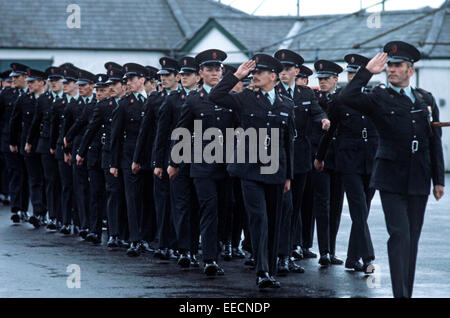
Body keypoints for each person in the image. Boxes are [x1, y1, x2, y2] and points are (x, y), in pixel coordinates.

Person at [339, 41, 445, 298]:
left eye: (398, 66)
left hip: (418, 178)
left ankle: (405, 292)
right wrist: (367, 72)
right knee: (399, 236)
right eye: (390, 66)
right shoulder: (379, 97)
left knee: (412, 242)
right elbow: (347, 97)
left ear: (410, 70)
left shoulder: (425, 99)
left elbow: (434, 141)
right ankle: (400, 295)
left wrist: (438, 179)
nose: (392, 70)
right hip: (390, 180)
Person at [209, 55, 295, 289]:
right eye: (254, 72)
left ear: (274, 77)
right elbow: (215, 96)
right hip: (249, 169)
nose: (255, 75)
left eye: (261, 72)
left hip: (275, 170)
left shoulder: (286, 103)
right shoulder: (245, 98)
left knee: (274, 221)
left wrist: (289, 175)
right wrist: (236, 76)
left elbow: (288, 143)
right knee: (259, 220)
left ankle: (271, 270)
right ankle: (262, 271)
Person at [169, 49, 232, 277]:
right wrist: (174, 162)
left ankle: (212, 249)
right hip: (202, 166)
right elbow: (181, 132)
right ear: (201, 73)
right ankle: (209, 258)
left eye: (217, 69)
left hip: (226, 166)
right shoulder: (194, 100)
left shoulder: (229, 99)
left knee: (224, 212)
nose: (214, 73)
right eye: (209, 69)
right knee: (209, 210)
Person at [315, 54, 378, 273]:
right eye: (350, 73)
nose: (352, 77)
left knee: (365, 209)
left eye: (356, 73)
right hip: (348, 161)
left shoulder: (374, 98)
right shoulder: (340, 99)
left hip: (371, 160)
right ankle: (368, 257)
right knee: (358, 208)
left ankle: (353, 258)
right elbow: (330, 131)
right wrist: (320, 157)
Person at [274, 49, 329, 274]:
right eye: (281, 69)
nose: (284, 73)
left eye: (288, 69)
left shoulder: (306, 94)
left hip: (301, 158)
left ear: (296, 71)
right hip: (277, 157)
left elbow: (317, 112)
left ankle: (287, 254)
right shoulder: (271, 92)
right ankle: (274, 254)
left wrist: (323, 119)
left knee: (294, 209)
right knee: (280, 208)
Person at [156, 56, 201, 268]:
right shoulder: (172, 100)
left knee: (196, 206)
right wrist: (160, 162)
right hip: (178, 159)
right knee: (181, 206)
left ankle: (194, 247)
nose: (184, 78)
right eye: (182, 74)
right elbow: (162, 133)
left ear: (197, 77)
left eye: (188, 74)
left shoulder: (204, 98)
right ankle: (184, 250)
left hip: (202, 159)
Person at [110, 63, 148, 256]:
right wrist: (114, 164)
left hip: (150, 158)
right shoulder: (124, 104)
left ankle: (147, 237)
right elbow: (115, 136)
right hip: (128, 158)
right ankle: (135, 239)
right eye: (127, 80)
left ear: (142, 80)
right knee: (132, 199)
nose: (129, 83)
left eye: (133, 79)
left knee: (148, 200)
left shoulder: (152, 101)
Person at [312, 60, 345, 267]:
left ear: (335, 80)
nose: (323, 82)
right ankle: (323, 251)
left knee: (336, 206)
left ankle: (331, 250)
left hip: (339, 159)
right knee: (322, 205)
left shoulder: (343, 100)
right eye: (320, 79)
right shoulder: (315, 100)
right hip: (320, 158)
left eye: (326, 79)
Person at [26, 66, 65, 231]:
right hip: (45, 144)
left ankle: (63, 216)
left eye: (57, 81)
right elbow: (35, 123)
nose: (54, 84)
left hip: (61, 145)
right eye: (52, 81)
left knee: (62, 182)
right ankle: (50, 215)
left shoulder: (66, 99)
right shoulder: (44, 99)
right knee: (49, 180)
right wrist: (29, 141)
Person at [10, 65, 47, 228]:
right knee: (34, 179)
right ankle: (38, 212)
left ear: (41, 83)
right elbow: (15, 122)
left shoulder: (48, 100)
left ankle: (47, 212)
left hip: (45, 145)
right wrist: (13, 142)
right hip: (29, 146)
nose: (29, 84)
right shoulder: (24, 99)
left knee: (48, 180)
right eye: (28, 82)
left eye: (32, 82)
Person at [64, 69, 96, 239]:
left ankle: (93, 223)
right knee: (81, 187)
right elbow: (68, 131)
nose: (80, 88)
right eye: (79, 85)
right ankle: (83, 223)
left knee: (94, 189)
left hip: (94, 149)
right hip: (78, 148)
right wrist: (67, 150)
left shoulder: (97, 103)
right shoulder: (74, 105)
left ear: (92, 86)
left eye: (84, 85)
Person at [0, 68, 29, 222]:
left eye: (17, 77)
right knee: (15, 173)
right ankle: (16, 208)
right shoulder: (5, 95)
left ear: (25, 77)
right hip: (8, 141)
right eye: (12, 77)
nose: (13, 80)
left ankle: (24, 208)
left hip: (25, 141)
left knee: (26, 175)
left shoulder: (28, 95)